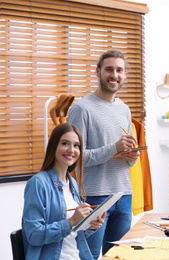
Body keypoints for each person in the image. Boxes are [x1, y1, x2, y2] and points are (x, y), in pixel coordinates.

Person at [67, 49, 140, 258]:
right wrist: (114, 148)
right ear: (98, 71)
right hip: (94, 196)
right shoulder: (82, 109)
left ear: (125, 75)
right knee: (88, 256)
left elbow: (126, 157)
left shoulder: (124, 109)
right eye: (109, 69)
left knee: (119, 256)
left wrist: (132, 157)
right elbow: (76, 159)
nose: (114, 75)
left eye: (119, 70)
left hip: (124, 195)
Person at [22, 123, 106, 260]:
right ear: (54, 146)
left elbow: (73, 234)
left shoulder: (71, 183)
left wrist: (90, 226)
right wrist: (72, 221)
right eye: (65, 143)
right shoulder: (38, 183)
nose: (71, 150)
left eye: (76, 145)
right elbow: (33, 235)